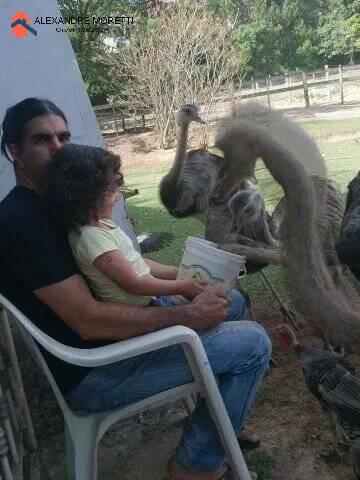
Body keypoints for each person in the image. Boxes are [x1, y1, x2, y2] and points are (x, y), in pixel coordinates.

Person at [0, 98, 271, 480]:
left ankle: (215, 422)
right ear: (16, 152)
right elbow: (89, 322)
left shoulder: (59, 205)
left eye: (64, 137)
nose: (59, 149)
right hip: (99, 372)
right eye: (42, 140)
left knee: (233, 300)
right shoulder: (21, 223)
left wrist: (190, 277)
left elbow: (127, 263)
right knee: (253, 345)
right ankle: (194, 466)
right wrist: (184, 311)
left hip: (117, 344)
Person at [45, 143, 205, 308]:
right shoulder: (90, 238)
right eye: (111, 191)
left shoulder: (104, 224)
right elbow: (134, 284)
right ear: (86, 195)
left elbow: (138, 264)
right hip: (145, 309)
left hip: (153, 298)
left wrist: (178, 273)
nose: (118, 197)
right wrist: (183, 286)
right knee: (228, 304)